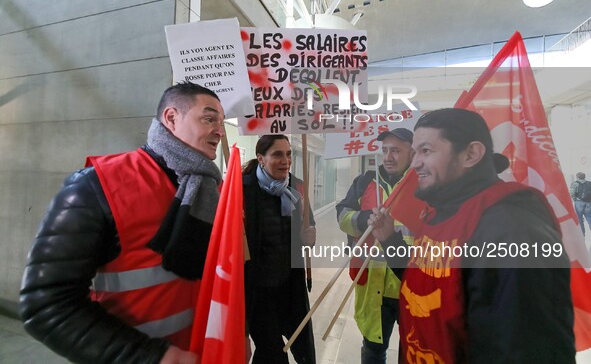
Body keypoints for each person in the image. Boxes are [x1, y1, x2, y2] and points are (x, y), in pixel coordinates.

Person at [19, 82, 226, 364]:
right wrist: (152, 357)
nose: (220, 130)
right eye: (209, 118)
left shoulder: (213, 193)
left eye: (222, 122)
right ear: (171, 118)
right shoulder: (97, 186)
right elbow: (45, 305)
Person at [370, 108, 575, 363]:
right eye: (415, 153)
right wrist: (389, 239)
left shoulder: (513, 228)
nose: (415, 164)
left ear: (471, 154)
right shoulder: (440, 214)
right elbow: (423, 281)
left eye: (426, 151)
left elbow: (527, 349)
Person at [335, 128, 414, 364]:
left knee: (412, 348)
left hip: (410, 283)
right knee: (373, 349)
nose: (388, 156)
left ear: (412, 152)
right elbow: (342, 216)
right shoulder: (365, 182)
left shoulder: (422, 184)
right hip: (373, 284)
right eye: (385, 150)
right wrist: (364, 218)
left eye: (396, 151)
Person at [242, 135, 316, 364]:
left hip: (289, 285)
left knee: (299, 345)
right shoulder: (242, 189)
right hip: (257, 289)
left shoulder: (297, 187)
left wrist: (308, 239)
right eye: (277, 154)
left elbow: (308, 231)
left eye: (288, 154)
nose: (286, 160)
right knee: (273, 351)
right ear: (261, 159)